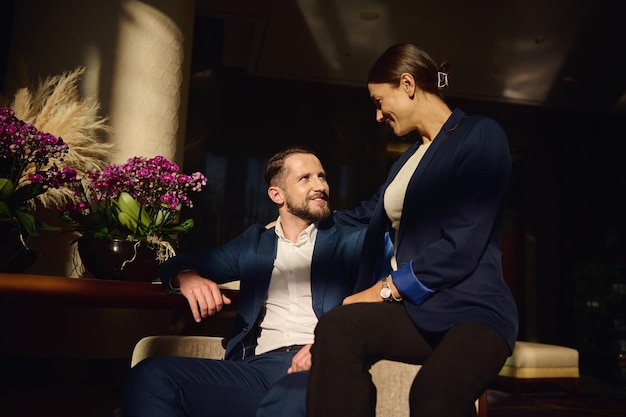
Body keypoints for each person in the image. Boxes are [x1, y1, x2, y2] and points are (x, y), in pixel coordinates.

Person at [305, 43, 519, 417]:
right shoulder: (407, 159)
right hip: (420, 312)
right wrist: (302, 214)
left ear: (407, 84)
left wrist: (384, 289)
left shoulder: (480, 134)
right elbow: (365, 214)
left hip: (474, 310)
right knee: (338, 325)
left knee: (433, 396)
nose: (377, 115)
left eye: (378, 101)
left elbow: (461, 246)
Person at [120, 146, 375, 417]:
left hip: (319, 363)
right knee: (151, 375)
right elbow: (176, 264)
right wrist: (186, 278)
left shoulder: (350, 239)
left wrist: (330, 345)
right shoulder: (254, 243)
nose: (320, 186)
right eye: (305, 178)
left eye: (322, 177)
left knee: (290, 400)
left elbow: (383, 295)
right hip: (256, 369)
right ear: (277, 195)